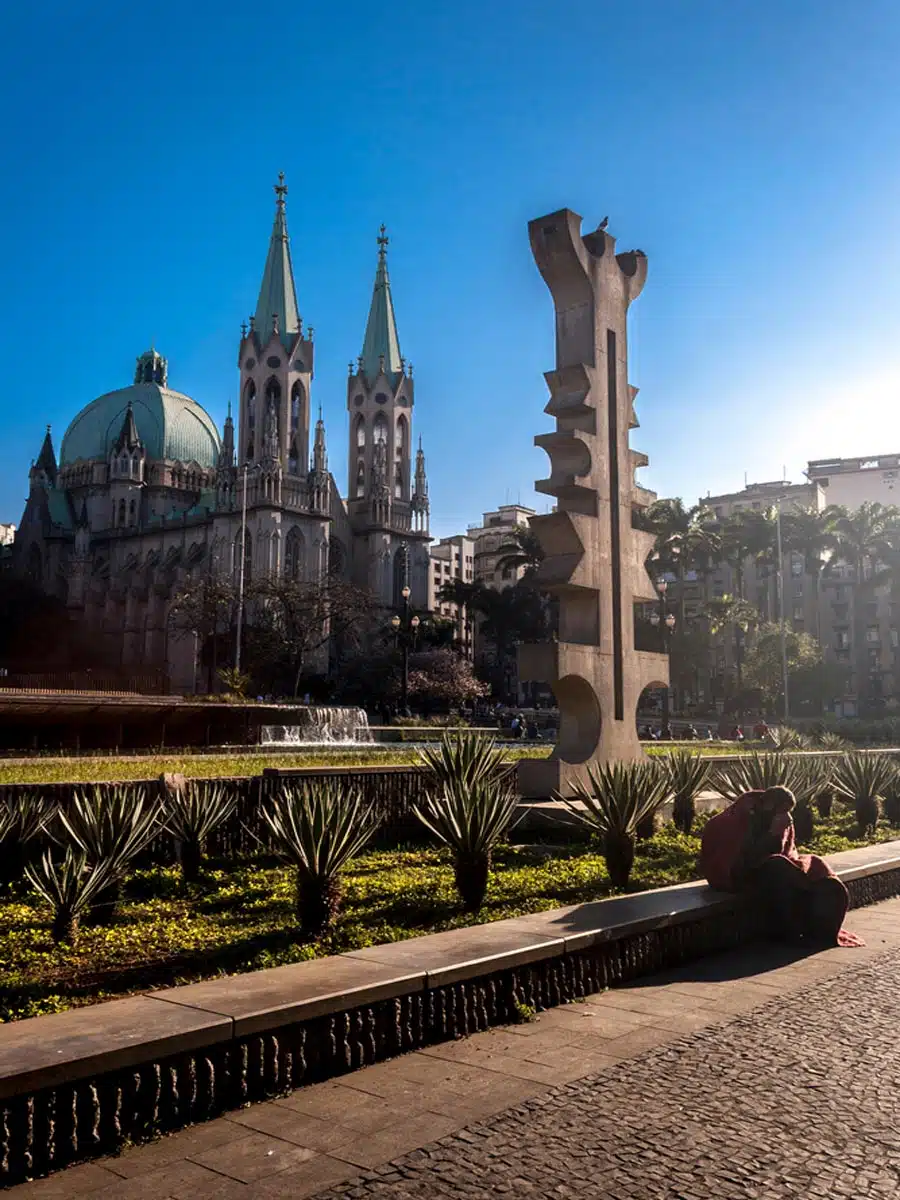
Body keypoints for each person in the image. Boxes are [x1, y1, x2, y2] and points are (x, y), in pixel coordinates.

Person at [700, 786, 864, 948]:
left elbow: (786, 852)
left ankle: (817, 926)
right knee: (777, 868)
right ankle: (789, 930)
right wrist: (772, 834)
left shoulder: (778, 818)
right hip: (735, 873)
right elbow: (741, 859)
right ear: (770, 805)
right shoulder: (737, 819)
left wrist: (778, 836)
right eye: (783, 809)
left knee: (815, 868)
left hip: (767, 869)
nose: (786, 815)